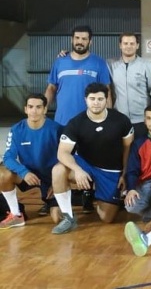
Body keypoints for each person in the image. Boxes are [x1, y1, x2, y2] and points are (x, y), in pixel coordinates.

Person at [45, 25, 112, 214]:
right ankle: (52, 198)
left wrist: (109, 118)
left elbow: (106, 93)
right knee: (60, 163)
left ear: (90, 41)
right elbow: (51, 88)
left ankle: (88, 196)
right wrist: (42, 108)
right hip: (62, 123)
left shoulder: (98, 63)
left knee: (89, 160)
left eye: (84, 39)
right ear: (72, 40)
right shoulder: (60, 62)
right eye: (77, 38)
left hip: (89, 125)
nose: (80, 42)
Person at [51, 83, 134, 234]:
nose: (96, 102)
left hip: (110, 170)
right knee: (58, 170)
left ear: (106, 99)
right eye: (92, 99)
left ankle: (97, 194)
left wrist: (125, 173)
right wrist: (77, 170)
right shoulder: (76, 122)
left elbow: (128, 148)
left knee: (107, 218)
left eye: (100, 99)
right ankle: (68, 217)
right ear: (86, 100)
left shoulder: (121, 120)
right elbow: (62, 153)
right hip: (85, 165)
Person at [0, 94, 62, 228]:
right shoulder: (17, 129)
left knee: (58, 219)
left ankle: (66, 200)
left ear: (45, 109)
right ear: (25, 109)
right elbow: (8, 157)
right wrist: (24, 172)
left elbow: (69, 157)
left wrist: (58, 182)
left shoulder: (57, 129)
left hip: (51, 178)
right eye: (31, 107)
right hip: (29, 175)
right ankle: (16, 215)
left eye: (39, 107)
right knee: (3, 174)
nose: (34, 111)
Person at [108, 32, 151, 138]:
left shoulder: (147, 66)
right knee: (122, 153)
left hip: (141, 122)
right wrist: (66, 53)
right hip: (119, 120)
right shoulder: (111, 66)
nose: (128, 46)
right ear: (120, 45)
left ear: (137, 45)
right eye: (125, 43)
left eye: (132, 44)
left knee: (142, 153)